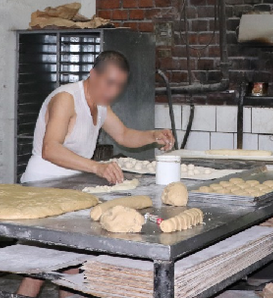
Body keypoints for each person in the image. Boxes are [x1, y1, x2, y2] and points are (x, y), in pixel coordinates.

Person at [17, 50, 174, 297]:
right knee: (38, 266)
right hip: (41, 190)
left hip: (69, 191)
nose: (112, 92)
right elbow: (50, 148)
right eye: (108, 83)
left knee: (70, 264)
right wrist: (96, 167)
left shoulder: (100, 105)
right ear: (92, 74)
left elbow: (123, 135)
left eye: (119, 86)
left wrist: (153, 135)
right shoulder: (67, 99)